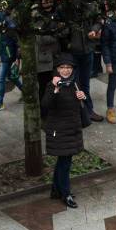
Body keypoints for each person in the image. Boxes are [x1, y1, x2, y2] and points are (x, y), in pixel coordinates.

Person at [41, 54, 85, 209]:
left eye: (68, 67)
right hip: (59, 130)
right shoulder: (52, 85)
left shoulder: (74, 84)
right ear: (57, 69)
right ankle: (65, 193)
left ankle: (56, 190)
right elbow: (45, 106)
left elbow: (78, 107)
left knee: (64, 162)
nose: (66, 70)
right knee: (64, 163)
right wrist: (55, 89)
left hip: (72, 128)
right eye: (62, 67)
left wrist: (81, 97)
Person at [32, 0, 69, 115]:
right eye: (45, 0)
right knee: (44, 87)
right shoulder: (37, 16)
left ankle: (53, 111)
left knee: (56, 85)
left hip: (56, 57)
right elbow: (41, 38)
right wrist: (57, 35)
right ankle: (43, 113)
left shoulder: (57, 14)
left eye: (50, 0)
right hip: (43, 59)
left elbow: (66, 30)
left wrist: (56, 33)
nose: (48, 3)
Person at [0, 12, 23, 113]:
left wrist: (17, 61)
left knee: (0, 79)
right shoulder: (0, 28)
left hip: (9, 57)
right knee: (11, 76)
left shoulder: (11, 29)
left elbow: (18, 45)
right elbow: (0, 43)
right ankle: (26, 93)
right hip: (5, 56)